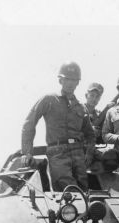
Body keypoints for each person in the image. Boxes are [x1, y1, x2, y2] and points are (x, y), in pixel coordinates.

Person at [21, 61, 96, 191]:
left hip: (78, 155)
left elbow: (90, 135)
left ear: (78, 82)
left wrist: (89, 154)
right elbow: (29, 124)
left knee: (84, 193)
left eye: (74, 80)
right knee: (69, 192)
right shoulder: (48, 100)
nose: (70, 83)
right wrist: (27, 152)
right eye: (67, 79)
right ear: (60, 80)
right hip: (57, 154)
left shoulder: (81, 107)